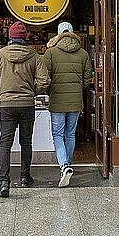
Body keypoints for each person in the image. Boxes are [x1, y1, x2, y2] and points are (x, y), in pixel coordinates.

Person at [0, 21, 50, 198]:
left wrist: (1, 92)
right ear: (25, 37)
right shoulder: (34, 56)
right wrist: (32, 92)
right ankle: (25, 177)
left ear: (9, 37)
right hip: (27, 105)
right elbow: (44, 81)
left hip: (6, 106)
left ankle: (4, 181)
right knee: (26, 142)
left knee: (5, 143)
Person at [43, 21, 93, 187]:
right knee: (70, 134)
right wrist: (78, 88)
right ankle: (67, 166)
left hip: (57, 100)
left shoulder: (51, 53)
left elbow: (45, 78)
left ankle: (64, 166)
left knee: (57, 134)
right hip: (75, 101)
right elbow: (88, 78)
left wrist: (50, 91)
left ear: (58, 34)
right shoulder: (83, 54)